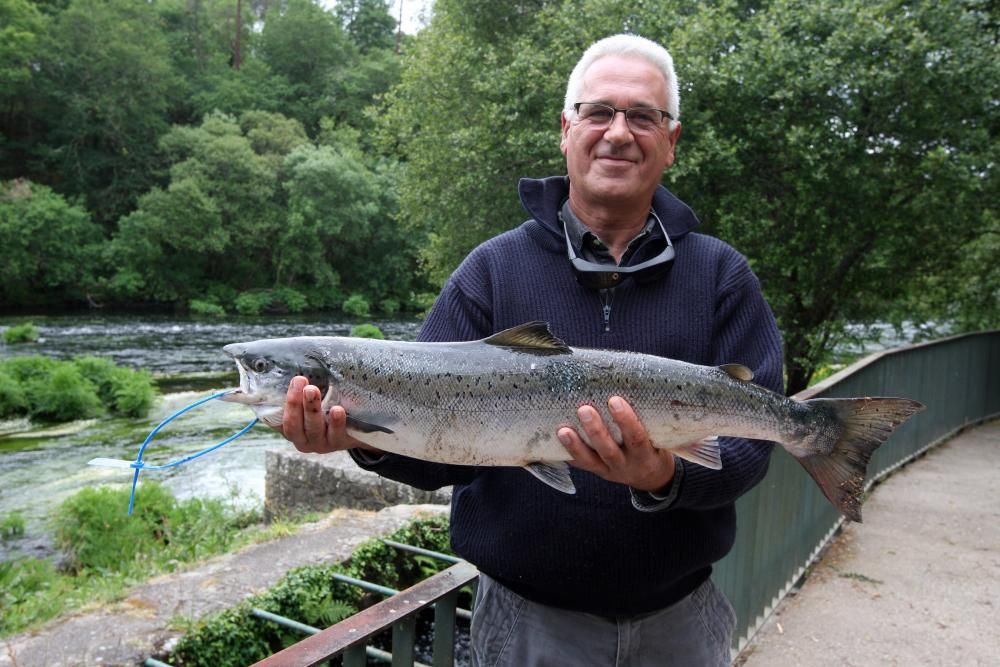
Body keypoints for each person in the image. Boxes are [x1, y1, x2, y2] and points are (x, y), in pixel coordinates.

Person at [280, 33, 783, 667]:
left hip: (681, 619)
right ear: (567, 129)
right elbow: (441, 455)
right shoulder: (490, 271)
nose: (618, 132)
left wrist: (665, 477)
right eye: (599, 112)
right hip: (523, 625)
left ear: (671, 142)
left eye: (643, 116)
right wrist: (361, 440)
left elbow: (756, 439)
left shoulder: (722, 277)